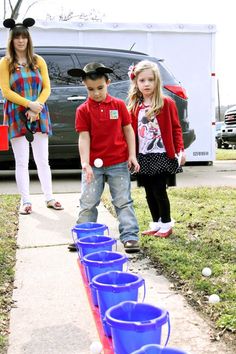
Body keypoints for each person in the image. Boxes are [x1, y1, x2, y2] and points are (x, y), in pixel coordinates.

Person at [67, 62, 140, 253]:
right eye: (91, 89)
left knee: (123, 200)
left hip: (118, 162)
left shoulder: (119, 105)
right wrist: (85, 163)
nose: (96, 93)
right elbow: (84, 137)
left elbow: (128, 130)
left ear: (108, 82)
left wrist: (132, 155)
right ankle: (85, 235)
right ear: (85, 86)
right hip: (94, 166)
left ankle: (130, 236)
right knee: (88, 201)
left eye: (100, 88)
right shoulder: (83, 110)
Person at [0, 18, 63, 214]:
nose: (20, 40)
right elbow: (6, 91)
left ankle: (49, 197)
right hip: (16, 113)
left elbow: (46, 88)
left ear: (28, 39)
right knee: (21, 160)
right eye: (17, 37)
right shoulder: (5, 62)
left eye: (24, 37)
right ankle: (26, 201)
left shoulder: (38, 61)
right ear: (11, 40)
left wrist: (36, 107)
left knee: (43, 159)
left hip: (38, 113)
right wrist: (29, 104)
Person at [127, 60, 186, 238]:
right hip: (142, 156)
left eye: (150, 80)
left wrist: (180, 149)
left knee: (159, 190)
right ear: (136, 83)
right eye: (142, 80)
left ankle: (166, 224)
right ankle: (156, 223)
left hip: (161, 154)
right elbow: (129, 132)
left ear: (156, 81)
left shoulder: (166, 103)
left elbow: (176, 128)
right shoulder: (135, 106)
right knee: (148, 192)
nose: (146, 84)